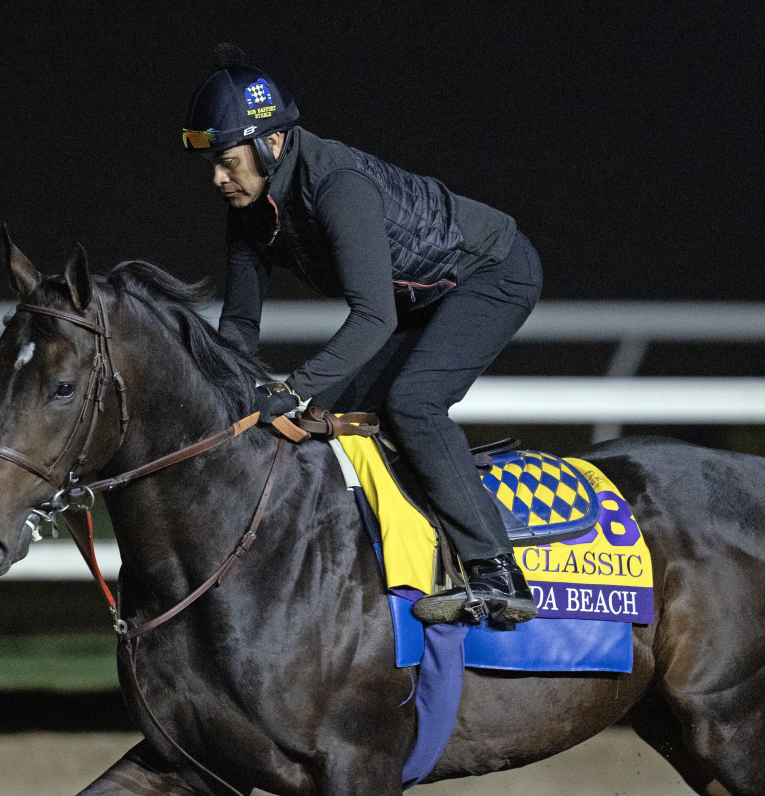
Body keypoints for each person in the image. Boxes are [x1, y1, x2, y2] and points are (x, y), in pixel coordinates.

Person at [183, 44, 542, 625]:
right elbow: (241, 325)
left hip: (492, 273)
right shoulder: (248, 210)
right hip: (418, 296)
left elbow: (374, 317)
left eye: (227, 161)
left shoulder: (338, 186)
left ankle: (496, 571)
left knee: (413, 403)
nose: (218, 178)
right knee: (321, 417)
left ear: (271, 143)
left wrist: (291, 387)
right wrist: (224, 394)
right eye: (213, 165)